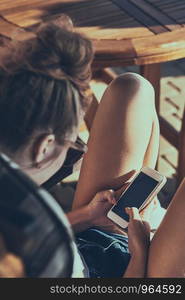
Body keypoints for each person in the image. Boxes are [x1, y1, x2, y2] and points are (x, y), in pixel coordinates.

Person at [0, 15, 181, 278]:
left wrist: (86, 216)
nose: (81, 151)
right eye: (72, 144)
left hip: (85, 243)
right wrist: (141, 250)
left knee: (131, 88)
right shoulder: (45, 258)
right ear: (44, 147)